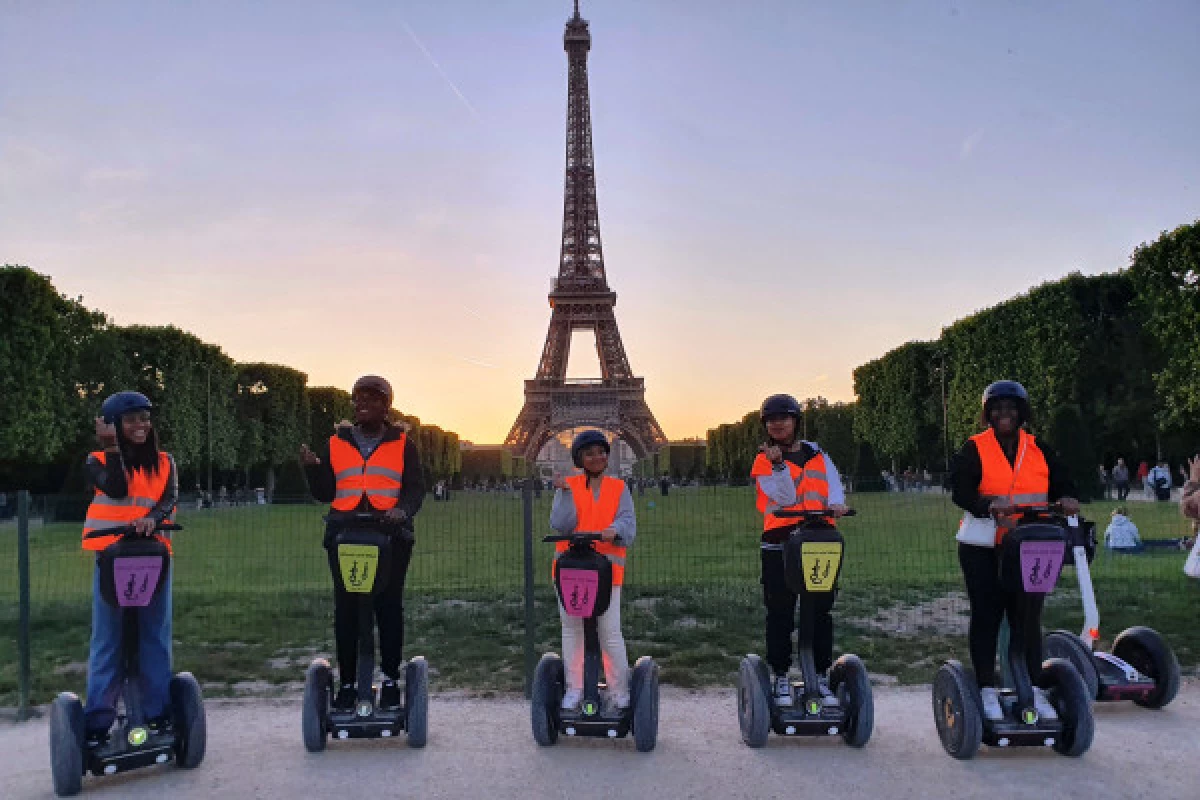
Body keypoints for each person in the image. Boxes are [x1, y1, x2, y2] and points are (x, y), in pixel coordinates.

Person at [947, 380, 1080, 724]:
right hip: (982, 544)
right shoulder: (975, 447)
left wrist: (1067, 497)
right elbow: (959, 489)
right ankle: (986, 687)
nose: (1004, 413)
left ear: (1022, 412)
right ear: (987, 413)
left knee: (1028, 618)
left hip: (1032, 542)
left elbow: (1063, 481)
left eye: (1011, 407)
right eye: (997, 408)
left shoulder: (1038, 448)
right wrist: (987, 503)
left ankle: (1032, 687)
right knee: (987, 614)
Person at [300, 375, 425, 711]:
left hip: (390, 536)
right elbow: (326, 492)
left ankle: (388, 678)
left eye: (371, 398)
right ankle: (350, 681)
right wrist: (313, 470)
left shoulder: (403, 444)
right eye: (358, 398)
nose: (362, 404)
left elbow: (415, 488)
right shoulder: (336, 443)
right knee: (347, 610)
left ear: (386, 405)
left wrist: (402, 511)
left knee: (388, 606)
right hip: (345, 533)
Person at [81, 391, 179, 745]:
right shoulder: (95, 461)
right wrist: (110, 449)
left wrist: (153, 519)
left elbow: (168, 499)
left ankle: (157, 713)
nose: (141, 425)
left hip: (152, 554)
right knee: (109, 639)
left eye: (145, 418)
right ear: (114, 426)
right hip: (111, 555)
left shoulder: (165, 461)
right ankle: (97, 722)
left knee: (154, 636)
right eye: (131, 419)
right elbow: (118, 488)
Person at [750, 394, 849, 707]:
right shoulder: (764, 460)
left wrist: (837, 504)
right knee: (780, 610)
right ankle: (781, 674)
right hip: (780, 541)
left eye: (784, 417)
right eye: (771, 419)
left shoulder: (818, 454)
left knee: (820, 610)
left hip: (819, 537)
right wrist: (779, 465)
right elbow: (785, 498)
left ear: (796, 421)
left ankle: (819, 674)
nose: (778, 423)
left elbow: (833, 486)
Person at [550, 430, 636, 711]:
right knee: (572, 629)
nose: (597, 457)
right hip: (572, 572)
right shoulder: (569, 485)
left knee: (609, 631)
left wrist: (616, 530)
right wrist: (563, 493)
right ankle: (575, 688)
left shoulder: (618, 487)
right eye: (590, 453)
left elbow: (628, 523)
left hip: (607, 572)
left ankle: (618, 689)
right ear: (579, 459)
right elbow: (561, 525)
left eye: (601, 452)